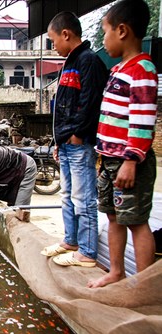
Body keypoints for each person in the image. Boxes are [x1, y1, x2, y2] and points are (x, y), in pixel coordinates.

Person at [88, 0, 158, 288]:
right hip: (108, 159)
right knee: (113, 216)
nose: (103, 42)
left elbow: (143, 121)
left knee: (136, 221)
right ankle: (117, 271)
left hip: (128, 162)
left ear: (122, 30)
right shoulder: (119, 69)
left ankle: (145, 285)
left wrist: (131, 161)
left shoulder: (141, 69)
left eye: (104, 33)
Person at [40, 11, 109, 268]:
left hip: (79, 142)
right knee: (67, 195)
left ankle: (88, 252)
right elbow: (63, 107)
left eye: (53, 40)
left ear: (66, 34)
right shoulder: (69, 62)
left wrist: (79, 135)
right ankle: (71, 240)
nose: (53, 45)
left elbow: (90, 102)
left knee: (84, 198)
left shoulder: (88, 61)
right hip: (67, 143)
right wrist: (59, 141)